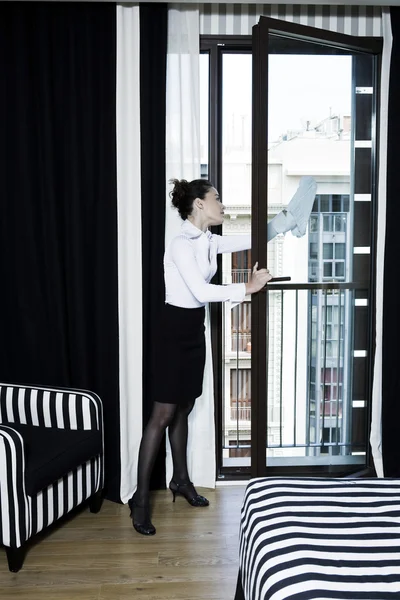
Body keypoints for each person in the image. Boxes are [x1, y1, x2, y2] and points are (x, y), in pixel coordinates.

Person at [129, 175, 317, 536]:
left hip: (192, 331)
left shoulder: (208, 240)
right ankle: (140, 500)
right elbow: (199, 290)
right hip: (171, 332)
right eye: (217, 198)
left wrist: (285, 220)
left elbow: (250, 237)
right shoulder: (180, 243)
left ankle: (180, 480)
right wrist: (246, 286)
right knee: (162, 414)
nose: (222, 204)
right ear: (199, 204)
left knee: (183, 405)